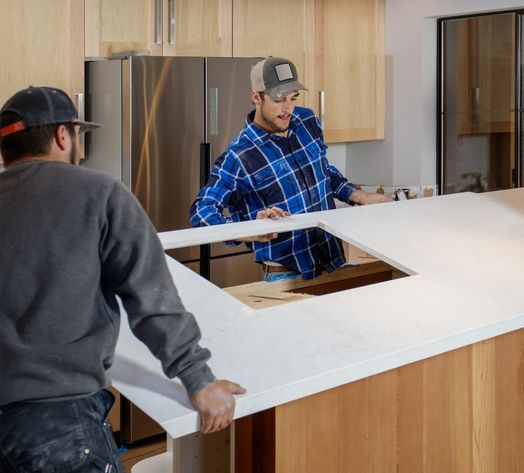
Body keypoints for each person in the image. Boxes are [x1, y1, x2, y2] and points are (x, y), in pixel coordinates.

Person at [0, 86, 244, 472]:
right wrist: (198, 378)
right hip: (60, 422)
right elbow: (151, 298)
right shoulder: (99, 193)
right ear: (62, 135)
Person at [190, 57, 390, 281]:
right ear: (256, 97)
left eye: (293, 98)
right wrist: (248, 229)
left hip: (332, 263)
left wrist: (361, 196)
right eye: (278, 99)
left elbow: (322, 171)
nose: (288, 109)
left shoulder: (307, 121)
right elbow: (201, 212)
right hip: (285, 276)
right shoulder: (239, 155)